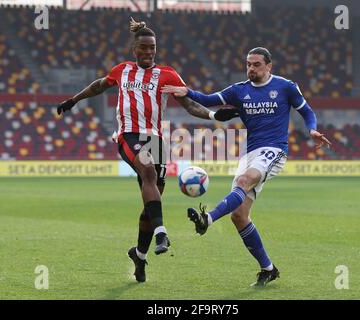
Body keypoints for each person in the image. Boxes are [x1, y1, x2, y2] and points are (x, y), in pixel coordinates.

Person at [56, 18, 237, 283]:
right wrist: (73, 100)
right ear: (134, 48)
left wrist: (213, 115)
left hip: (156, 140)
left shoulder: (167, 74)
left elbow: (189, 105)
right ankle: (162, 233)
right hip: (129, 135)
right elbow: (99, 85)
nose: (148, 52)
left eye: (152, 48)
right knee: (148, 172)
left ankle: (139, 256)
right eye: (143, 47)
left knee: (151, 203)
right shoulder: (122, 71)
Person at [162, 47, 332, 287]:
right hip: (250, 154)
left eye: (256, 64)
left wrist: (312, 129)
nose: (251, 68)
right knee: (239, 216)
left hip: (274, 150)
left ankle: (207, 219)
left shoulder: (286, 87)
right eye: (248, 64)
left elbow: (306, 111)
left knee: (243, 182)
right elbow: (210, 100)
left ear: (268, 66)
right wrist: (186, 92)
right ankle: (268, 269)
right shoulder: (239, 91)